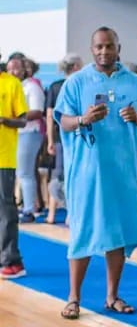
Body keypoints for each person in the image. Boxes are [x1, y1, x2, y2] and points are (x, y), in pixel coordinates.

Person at [53, 26, 137, 319]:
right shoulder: (76, 82)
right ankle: (74, 297)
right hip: (88, 172)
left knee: (118, 232)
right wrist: (84, 118)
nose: (104, 52)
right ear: (91, 49)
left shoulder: (134, 82)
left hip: (123, 171)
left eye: (109, 46)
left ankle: (112, 296)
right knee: (83, 230)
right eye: (98, 47)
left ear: (118, 48)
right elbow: (63, 120)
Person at [45, 53, 84, 224]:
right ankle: (70, 213)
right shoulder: (80, 86)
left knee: (59, 176)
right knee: (71, 176)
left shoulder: (55, 86)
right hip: (76, 137)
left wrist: (50, 140)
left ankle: (52, 214)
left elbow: (49, 116)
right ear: (75, 67)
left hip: (61, 137)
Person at [0, 52, 29, 279]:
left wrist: (3, 120)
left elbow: (23, 119)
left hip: (4, 158)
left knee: (6, 210)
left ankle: (12, 261)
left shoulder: (12, 84)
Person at [6, 57, 45, 222]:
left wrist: (13, 117)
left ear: (25, 69)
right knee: (21, 173)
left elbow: (37, 111)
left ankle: (29, 210)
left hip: (30, 132)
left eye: (16, 68)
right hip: (17, 133)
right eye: (10, 69)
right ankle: (26, 205)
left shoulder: (31, 87)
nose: (12, 72)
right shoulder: (15, 87)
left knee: (25, 172)